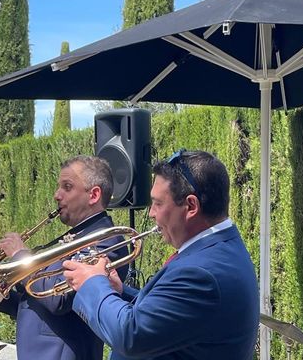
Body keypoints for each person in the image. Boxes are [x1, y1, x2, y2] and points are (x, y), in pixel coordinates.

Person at [63, 149, 259, 360]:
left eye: (158, 203)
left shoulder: (201, 273)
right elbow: (174, 315)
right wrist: (119, 292)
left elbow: (130, 336)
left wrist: (92, 283)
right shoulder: (218, 250)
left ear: (191, 206)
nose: (151, 213)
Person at [0, 155, 129, 360]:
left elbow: (57, 300)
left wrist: (20, 256)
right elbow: (41, 307)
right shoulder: (76, 237)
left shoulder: (106, 241)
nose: (57, 195)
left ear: (93, 195)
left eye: (67, 187)